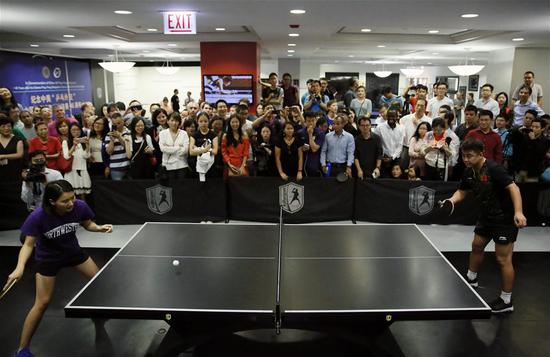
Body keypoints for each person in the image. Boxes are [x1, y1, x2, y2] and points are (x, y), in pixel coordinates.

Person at [6, 180, 113, 357]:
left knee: (98, 280)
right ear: (52, 201)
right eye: (65, 201)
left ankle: (96, 313)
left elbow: (88, 224)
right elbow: (28, 245)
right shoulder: (38, 216)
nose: (71, 203)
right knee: (42, 303)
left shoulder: (80, 206)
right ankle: (22, 350)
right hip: (49, 259)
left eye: (72, 198)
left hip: (73, 253)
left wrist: (99, 228)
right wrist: (19, 268)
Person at [442, 138, 527, 313]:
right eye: (463, 156)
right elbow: (462, 191)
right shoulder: (469, 171)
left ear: (481, 154)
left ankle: (506, 301)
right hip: (486, 217)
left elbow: (514, 188)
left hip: (504, 219)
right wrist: (451, 200)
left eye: (469, 156)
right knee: (476, 246)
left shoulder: (494, 169)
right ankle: (471, 278)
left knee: (503, 259)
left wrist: (518, 212)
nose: (466, 159)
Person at [62, 123, 91, 198]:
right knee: (70, 195)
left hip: (82, 169)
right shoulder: (66, 142)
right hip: (71, 172)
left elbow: (86, 156)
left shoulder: (83, 141)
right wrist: (74, 145)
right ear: (70, 131)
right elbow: (66, 156)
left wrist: (87, 144)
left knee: (83, 195)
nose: (76, 132)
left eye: (78, 129)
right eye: (73, 130)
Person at [373, 110, 404, 177]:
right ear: (386, 116)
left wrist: (392, 157)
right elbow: (376, 144)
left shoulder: (401, 128)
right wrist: (383, 155)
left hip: (396, 159)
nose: (391, 118)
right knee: (384, 178)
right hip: (383, 158)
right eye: (389, 116)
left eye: (393, 116)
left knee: (396, 179)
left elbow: (400, 146)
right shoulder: (379, 128)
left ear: (397, 117)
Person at [159, 112, 189, 180]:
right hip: (167, 165)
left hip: (182, 165)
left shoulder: (184, 133)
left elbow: (185, 150)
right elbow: (163, 149)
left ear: (179, 122)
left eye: (176, 121)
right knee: (170, 188)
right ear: (168, 121)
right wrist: (179, 147)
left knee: (181, 187)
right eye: (172, 120)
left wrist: (169, 148)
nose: (174, 123)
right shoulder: (163, 133)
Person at [189, 112, 219, 180]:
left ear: (209, 122)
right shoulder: (194, 136)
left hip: (210, 165)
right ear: (197, 122)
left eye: (205, 121)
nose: (203, 123)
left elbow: (215, 151)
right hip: (198, 164)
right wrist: (205, 150)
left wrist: (198, 149)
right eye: (201, 121)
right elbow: (191, 152)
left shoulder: (213, 135)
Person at [296, 111, 325, 177]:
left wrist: (310, 134)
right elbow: (298, 149)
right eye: (309, 121)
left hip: (315, 161)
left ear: (316, 120)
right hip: (302, 161)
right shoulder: (300, 133)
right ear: (305, 122)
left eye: (313, 120)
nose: (311, 123)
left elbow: (314, 149)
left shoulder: (320, 133)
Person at [104, 113, 132, 180]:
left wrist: (119, 137)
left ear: (123, 121)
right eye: (114, 124)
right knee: (117, 188)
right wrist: (112, 140)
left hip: (128, 166)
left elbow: (129, 149)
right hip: (115, 168)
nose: (117, 126)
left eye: (119, 123)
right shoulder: (109, 135)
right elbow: (109, 152)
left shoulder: (129, 132)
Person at [0, 116, 24, 181]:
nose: (6, 128)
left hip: (14, 172)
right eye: (3, 126)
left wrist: (3, 156)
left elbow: (19, 154)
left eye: (9, 126)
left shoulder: (17, 139)